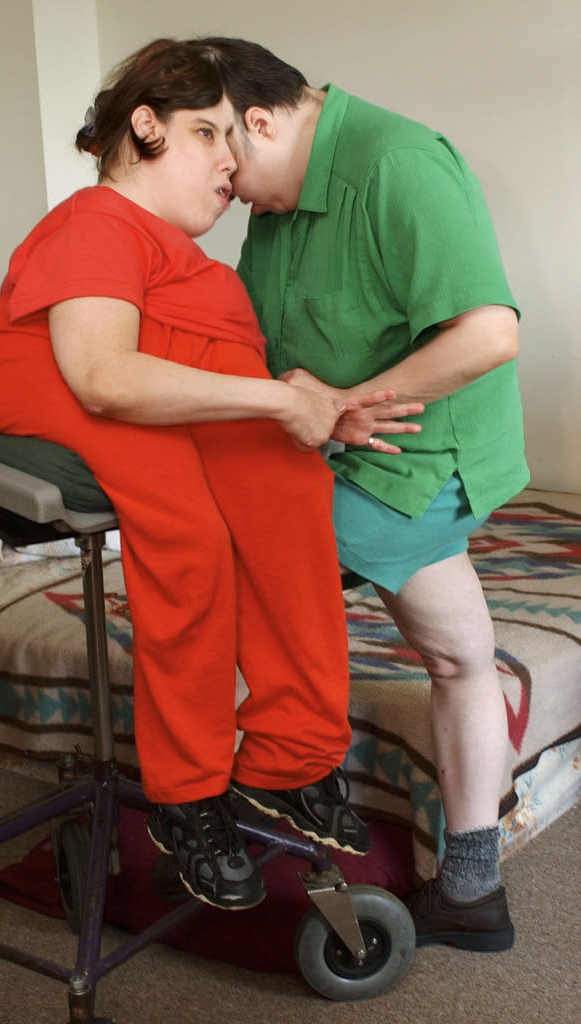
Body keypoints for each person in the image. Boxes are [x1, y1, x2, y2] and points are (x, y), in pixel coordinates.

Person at [0, 40, 422, 912]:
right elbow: (102, 376)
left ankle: (293, 753)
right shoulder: (96, 222)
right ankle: (189, 790)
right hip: (32, 366)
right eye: (207, 133)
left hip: (131, 366)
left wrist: (296, 405)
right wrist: (275, 401)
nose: (230, 161)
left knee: (287, 482)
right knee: (189, 530)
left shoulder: (194, 266)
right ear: (144, 124)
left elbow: (219, 382)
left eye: (238, 142)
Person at [192, 36, 529, 949]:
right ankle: (464, 882)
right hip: (324, 445)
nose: (221, 188)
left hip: (417, 450)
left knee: (239, 579)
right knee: (457, 652)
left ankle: (275, 821)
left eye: (224, 162)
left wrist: (340, 401)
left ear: (258, 122)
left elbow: (490, 333)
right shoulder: (284, 189)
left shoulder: (398, 165)